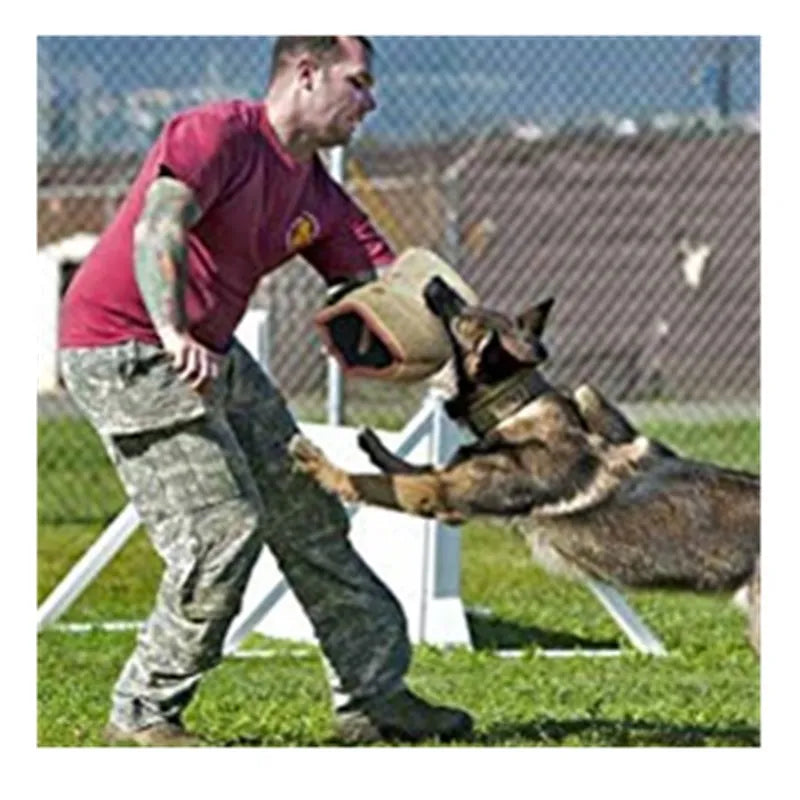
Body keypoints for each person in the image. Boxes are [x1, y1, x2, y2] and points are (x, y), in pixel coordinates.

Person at [58, 36, 473, 746]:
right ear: (306, 74)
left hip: (209, 350)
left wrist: (464, 361)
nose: (370, 102)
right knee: (222, 530)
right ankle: (142, 714)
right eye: (360, 82)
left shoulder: (317, 192)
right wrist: (171, 328)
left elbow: (386, 289)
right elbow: (161, 223)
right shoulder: (216, 132)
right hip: (125, 343)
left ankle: (373, 699)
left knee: (309, 510)